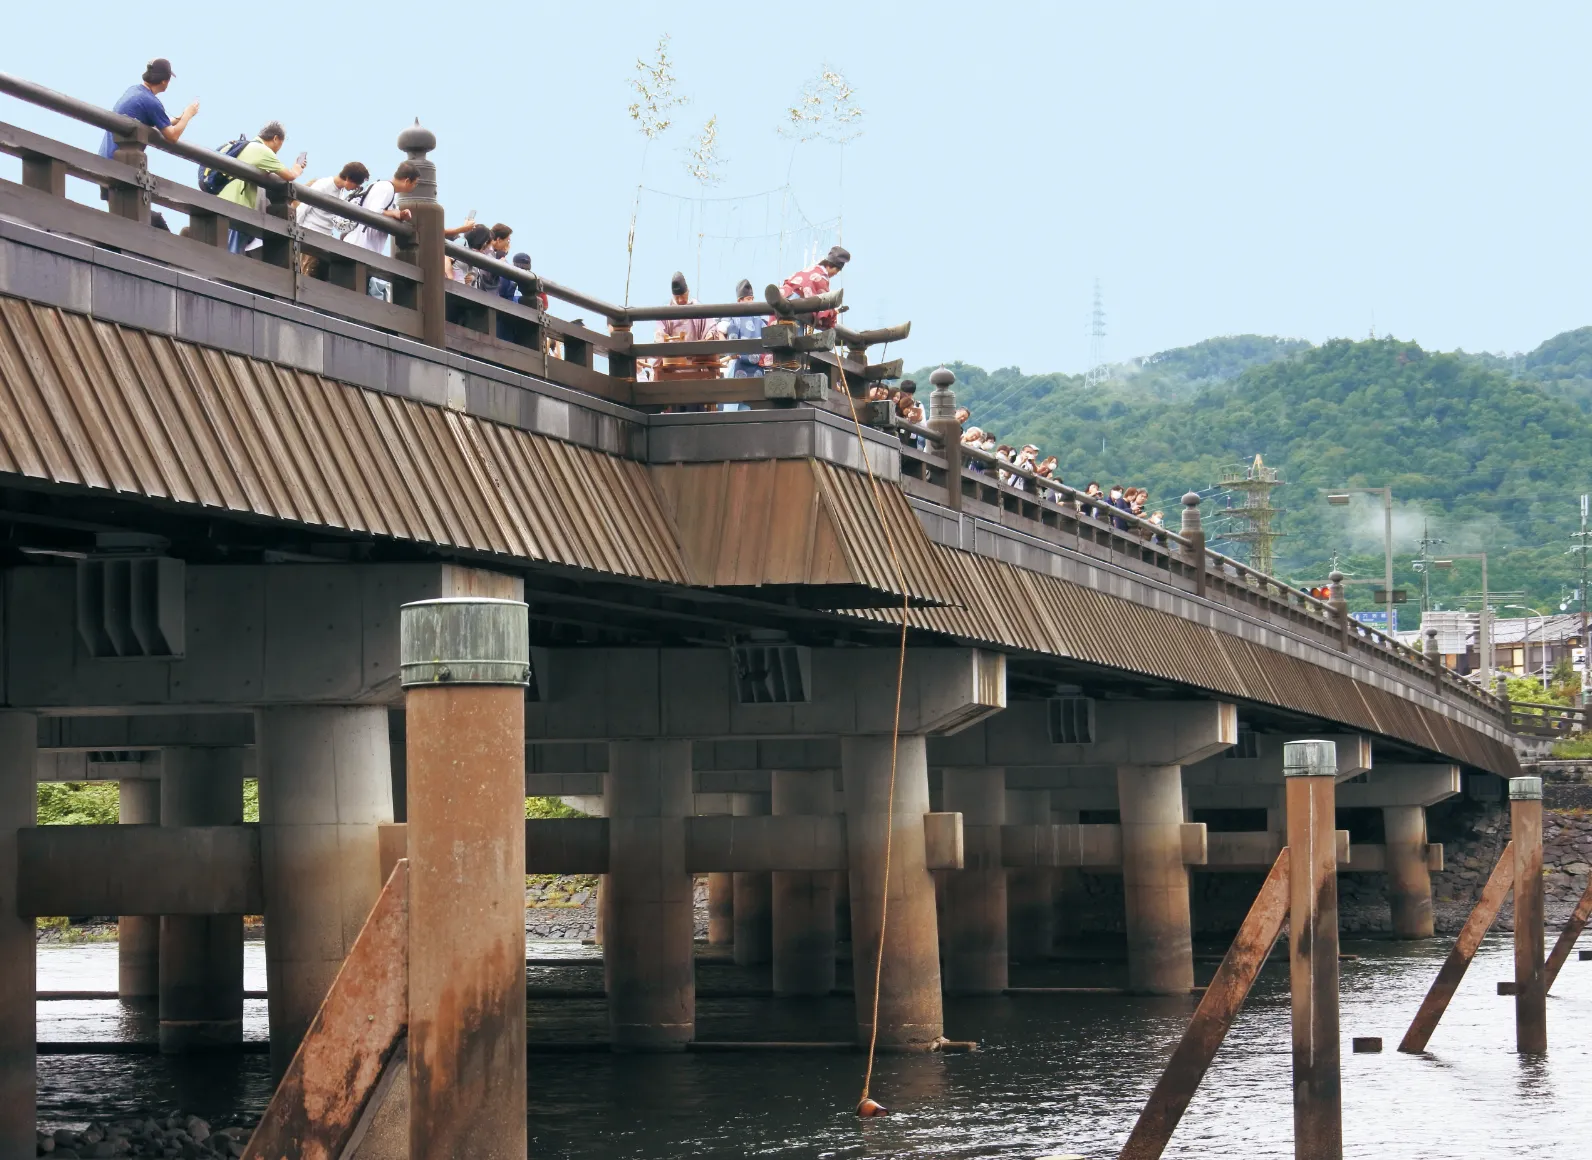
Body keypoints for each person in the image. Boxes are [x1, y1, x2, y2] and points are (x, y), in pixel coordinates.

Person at [99, 58, 198, 231]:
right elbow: (172, 136)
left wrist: (178, 119)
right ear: (164, 81)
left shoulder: (134, 91)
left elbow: (160, 122)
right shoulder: (151, 102)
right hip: (121, 168)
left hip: (105, 161)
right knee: (146, 221)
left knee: (120, 218)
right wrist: (189, 115)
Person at [218, 122, 306, 252]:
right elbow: (290, 175)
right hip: (238, 206)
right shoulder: (262, 151)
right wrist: (298, 168)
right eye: (282, 142)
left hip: (221, 201)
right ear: (276, 138)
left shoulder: (247, 147)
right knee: (233, 253)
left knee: (221, 249)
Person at [343, 162, 418, 298]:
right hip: (362, 247)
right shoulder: (387, 188)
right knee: (356, 293)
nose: (415, 187)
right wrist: (395, 214)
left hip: (360, 245)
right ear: (407, 180)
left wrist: (399, 215)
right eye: (415, 183)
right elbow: (374, 211)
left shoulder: (383, 187)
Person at [295, 162, 369, 278]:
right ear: (348, 179)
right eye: (357, 184)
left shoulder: (340, 192)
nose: (357, 188)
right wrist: (296, 232)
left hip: (325, 239)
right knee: (309, 275)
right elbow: (302, 209)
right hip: (310, 235)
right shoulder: (323, 185)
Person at [777, 245, 849, 329]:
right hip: (794, 308)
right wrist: (833, 314)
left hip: (780, 302)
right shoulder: (820, 278)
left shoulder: (811, 270)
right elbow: (825, 304)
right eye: (836, 271)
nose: (835, 274)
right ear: (830, 266)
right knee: (792, 339)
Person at [721, 278, 765, 393]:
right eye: (748, 299)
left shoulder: (759, 319)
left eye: (752, 299)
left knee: (754, 401)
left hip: (757, 367)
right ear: (740, 300)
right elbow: (723, 333)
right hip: (738, 364)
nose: (751, 301)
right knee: (736, 400)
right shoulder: (733, 318)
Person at [656, 272, 720, 342]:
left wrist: (710, 334)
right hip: (673, 351)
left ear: (688, 292)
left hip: (696, 350)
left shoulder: (697, 307)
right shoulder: (666, 311)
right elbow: (660, 334)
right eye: (677, 297)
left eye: (683, 296)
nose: (680, 300)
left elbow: (711, 327)